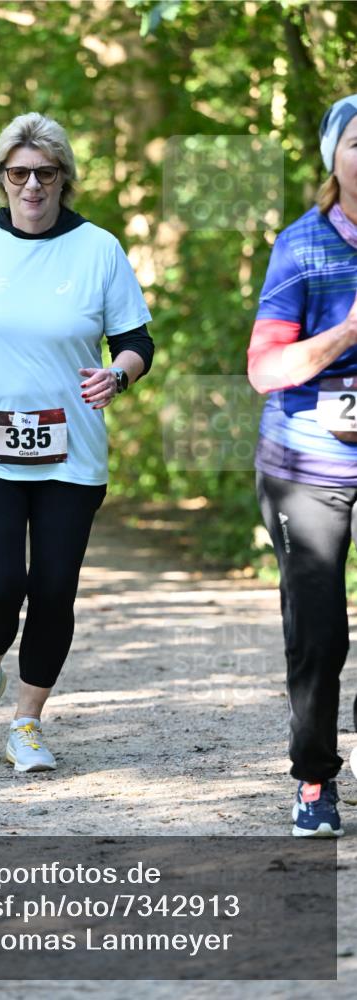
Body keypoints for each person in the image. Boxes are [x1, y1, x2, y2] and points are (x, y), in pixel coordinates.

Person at [0, 112, 154, 772]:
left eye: (45, 174)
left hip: (70, 451)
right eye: (18, 173)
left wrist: (117, 375)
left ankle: (27, 722)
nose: (32, 186)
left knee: (52, 591)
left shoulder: (98, 249)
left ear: (63, 178)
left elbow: (135, 340)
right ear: (1, 178)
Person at [247, 94, 357, 837]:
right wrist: (347, 331)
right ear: (333, 160)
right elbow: (264, 368)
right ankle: (314, 779)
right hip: (307, 462)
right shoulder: (301, 245)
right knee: (319, 633)